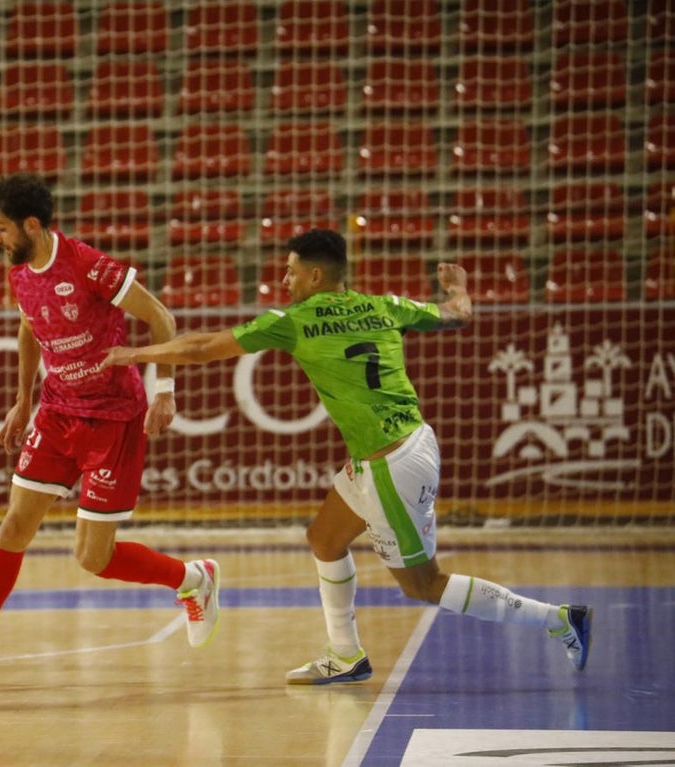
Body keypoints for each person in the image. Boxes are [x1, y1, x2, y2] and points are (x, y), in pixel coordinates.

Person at [102, 228, 592, 684]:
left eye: (290, 270)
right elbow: (457, 315)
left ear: (316, 276)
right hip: (396, 448)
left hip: (390, 462)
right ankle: (345, 655)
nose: (283, 279)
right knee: (324, 538)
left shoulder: (293, 321)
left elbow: (204, 347)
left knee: (423, 583)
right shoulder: (385, 306)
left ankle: (558, 620)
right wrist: (458, 286)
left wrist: (137, 355)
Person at [0, 173, 221, 687]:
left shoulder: (87, 265)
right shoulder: (18, 272)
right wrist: (22, 400)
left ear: (30, 225)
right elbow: (29, 328)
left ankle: (193, 579)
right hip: (58, 413)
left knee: (92, 558)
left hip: (114, 418)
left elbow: (162, 317)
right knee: (14, 526)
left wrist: (165, 390)